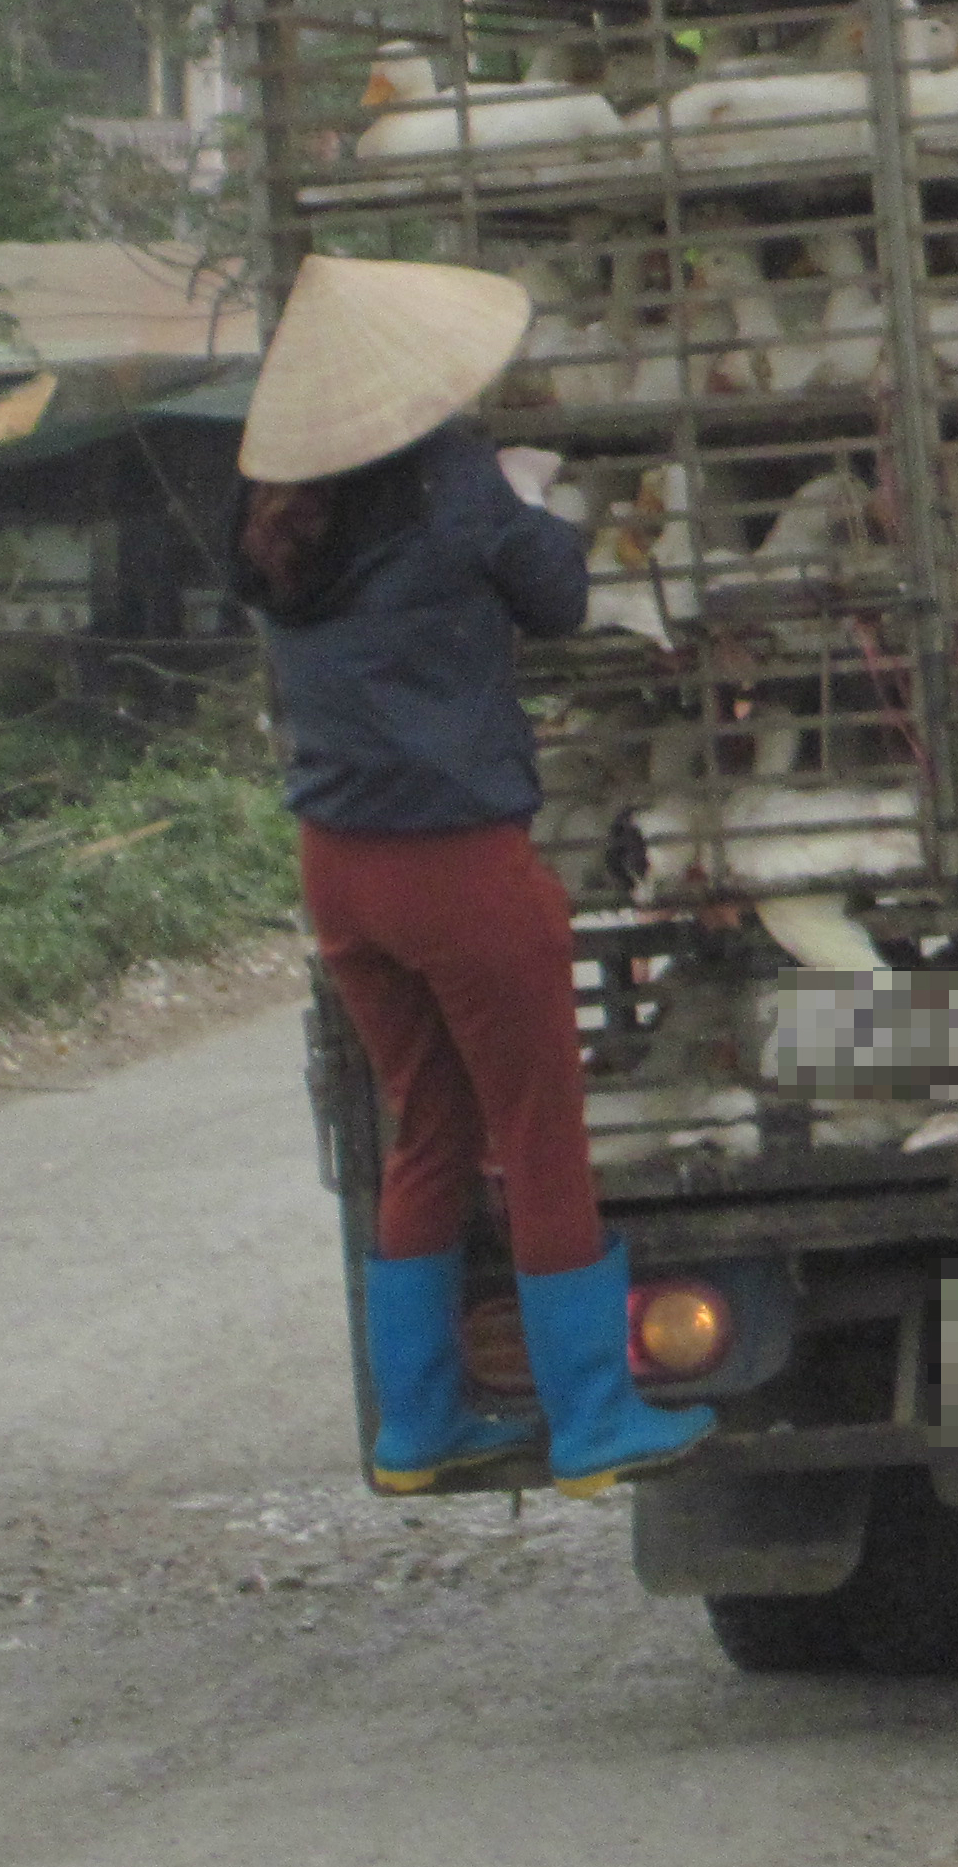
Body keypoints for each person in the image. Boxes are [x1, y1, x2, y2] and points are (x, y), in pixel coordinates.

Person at [231, 256, 712, 1501]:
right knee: (539, 1133)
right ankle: (597, 1421)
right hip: (456, 866)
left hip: (340, 869)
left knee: (426, 1127)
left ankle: (417, 1428)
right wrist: (531, 498)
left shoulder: (280, 516)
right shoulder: (449, 479)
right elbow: (556, 598)